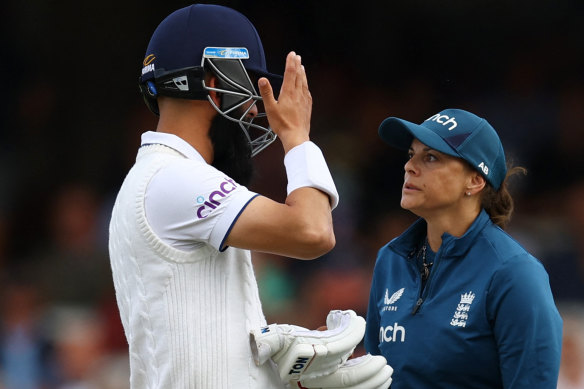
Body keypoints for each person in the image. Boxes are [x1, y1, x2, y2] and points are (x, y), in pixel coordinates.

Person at [108, 4, 392, 389]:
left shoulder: (161, 177)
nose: (256, 109)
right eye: (250, 89)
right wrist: (297, 135)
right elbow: (313, 232)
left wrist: (287, 375)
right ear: (212, 83)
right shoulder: (171, 177)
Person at [364, 108, 563, 388]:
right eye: (411, 154)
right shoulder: (390, 259)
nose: (409, 166)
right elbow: (376, 377)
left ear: (475, 181)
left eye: (431, 157)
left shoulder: (515, 273)